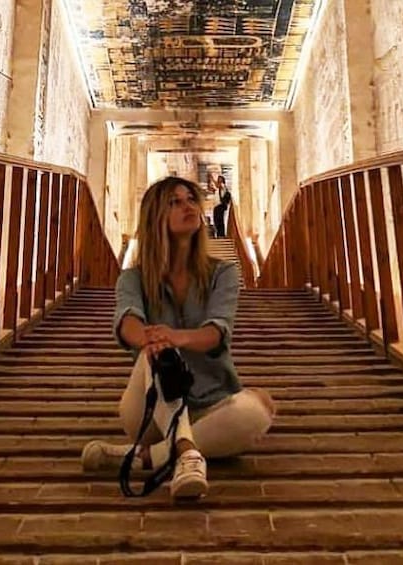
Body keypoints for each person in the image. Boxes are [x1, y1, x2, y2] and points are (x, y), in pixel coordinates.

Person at [81, 176, 276, 499]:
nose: (189, 207)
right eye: (175, 202)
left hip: (210, 403)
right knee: (157, 352)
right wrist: (150, 338)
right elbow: (127, 321)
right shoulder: (133, 278)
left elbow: (216, 333)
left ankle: (145, 456)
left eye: (191, 200)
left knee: (259, 409)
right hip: (149, 406)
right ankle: (186, 452)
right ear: (156, 215)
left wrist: (175, 336)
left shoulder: (222, 274)